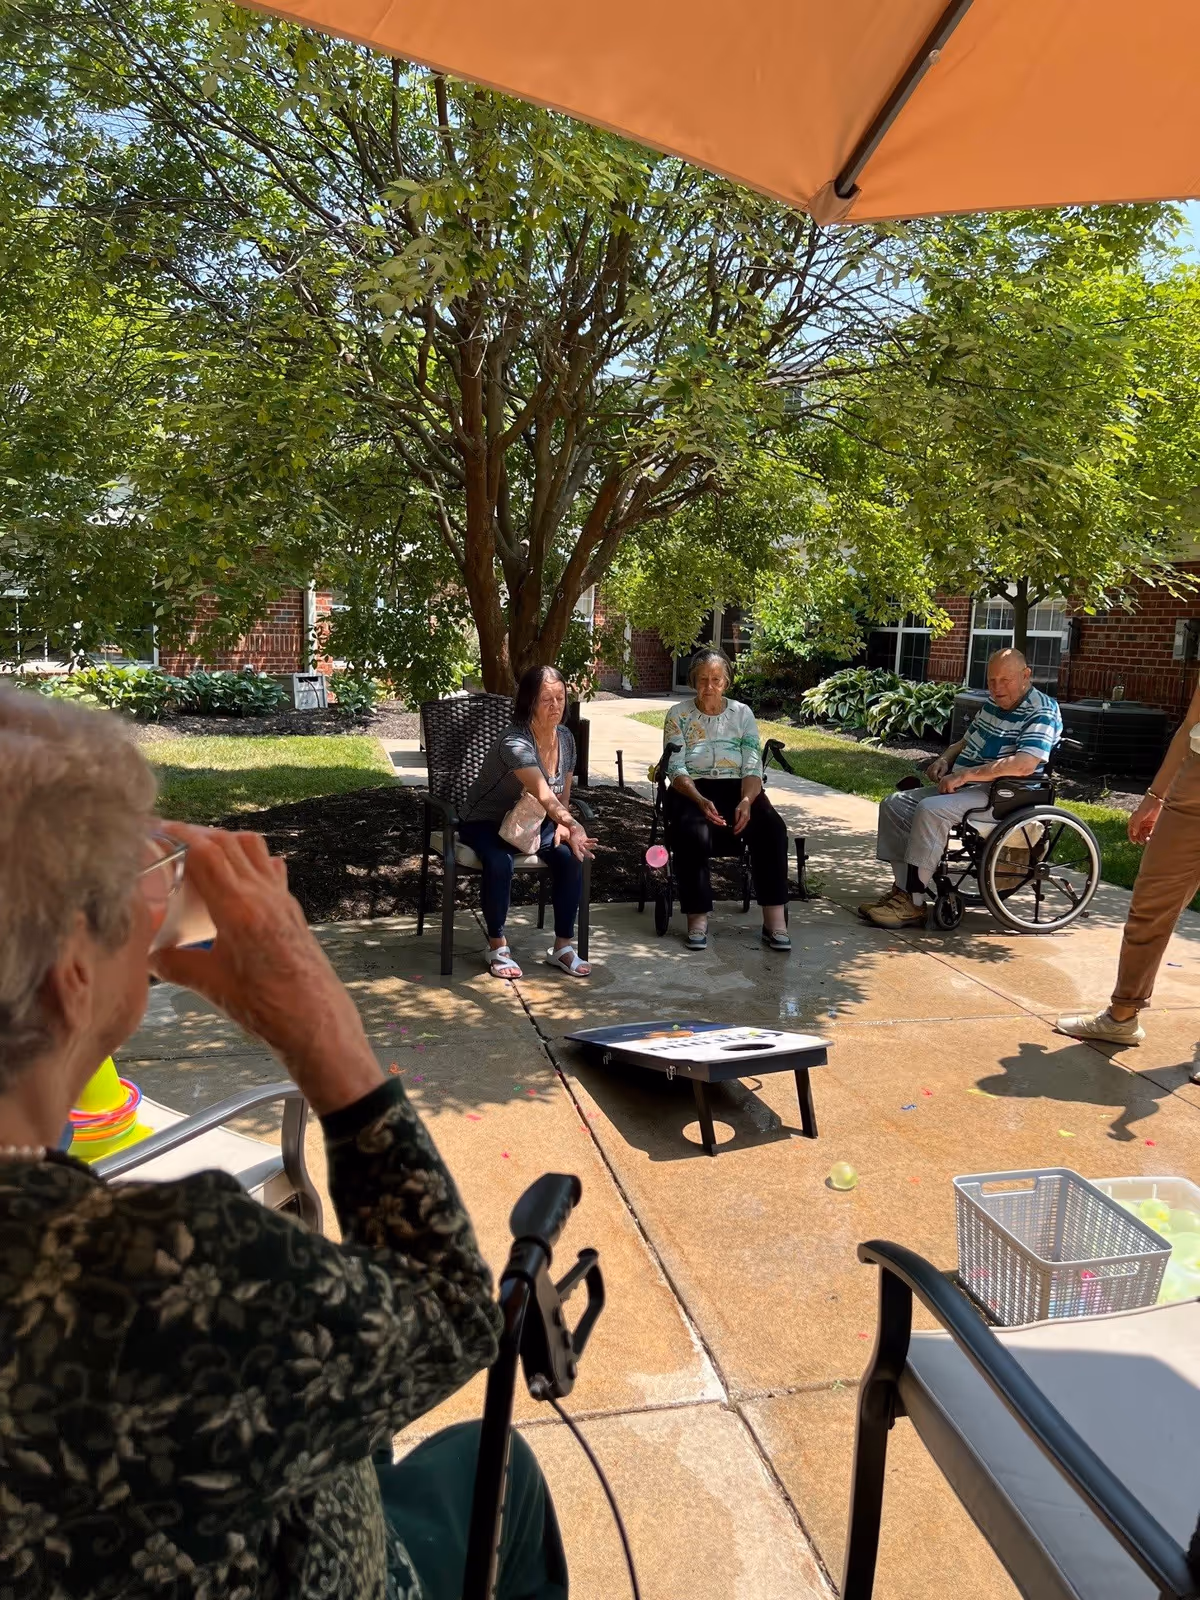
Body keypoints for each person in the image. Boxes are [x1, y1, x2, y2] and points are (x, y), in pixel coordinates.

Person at [0, 684, 567, 1599]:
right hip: (321, 1562)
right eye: (124, 886)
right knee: (500, 1472)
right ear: (71, 978)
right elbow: (451, 1314)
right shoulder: (161, 1271)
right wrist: (312, 1013)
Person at [860, 648, 1062, 929]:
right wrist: (945, 759)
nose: (997, 687)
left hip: (1000, 795)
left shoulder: (1041, 710)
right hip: (967, 786)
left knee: (932, 810)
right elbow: (963, 744)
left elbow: (1025, 764)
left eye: (1005, 680)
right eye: (992, 680)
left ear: (1026, 675)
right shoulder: (993, 705)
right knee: (894, 803)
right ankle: (902, 890)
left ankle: (914, 904)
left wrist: (966, 775)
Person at [1057, 677, 1200, 1067]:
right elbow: (1191, 726)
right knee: (1150, 905)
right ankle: (1122, 1015)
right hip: (1191, 793)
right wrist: (1155, 797)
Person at [458, 664, 597, 980]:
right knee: (499, 861)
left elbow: (561, 792)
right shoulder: (514, 742)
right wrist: (574, 825)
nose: (555, 706)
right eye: (546, 699)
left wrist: (563, 825)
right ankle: (497, 947)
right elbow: (543, 793)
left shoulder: (565, 738)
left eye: (560, 698)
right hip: (487, 821)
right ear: (529, 703)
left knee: (570, 857)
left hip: (535, 822)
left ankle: (562, 948)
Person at [661, 648, 791, 951]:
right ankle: (697, 918)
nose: (709, 686)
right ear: (693, 680)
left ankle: (775, 921)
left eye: (716, 680)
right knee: (691, 831)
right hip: (691, 789)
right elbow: (675, 767)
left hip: (739, 788)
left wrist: (746, 800)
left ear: (726, 683)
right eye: (703, 679)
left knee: (772, 828)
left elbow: (751, 764)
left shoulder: (742, 714)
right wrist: (698, 798)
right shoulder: (678, 714)